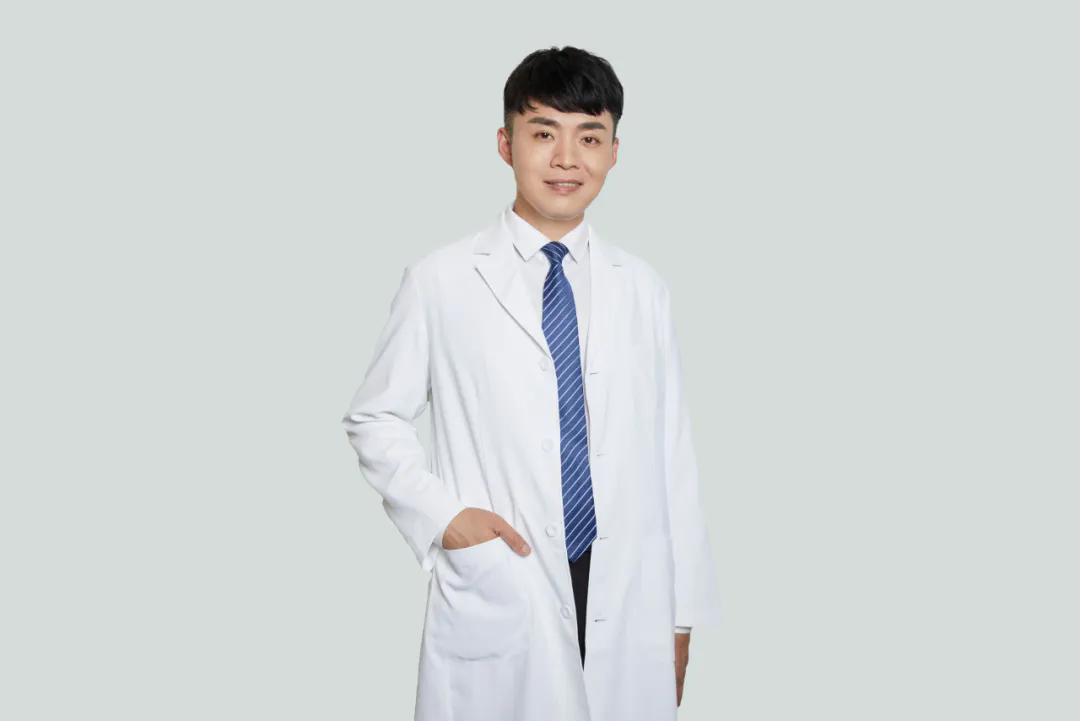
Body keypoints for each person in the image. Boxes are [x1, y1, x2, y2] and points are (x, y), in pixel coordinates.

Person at [341, 45, 720, 721]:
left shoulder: (643, 288)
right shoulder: (442, 280)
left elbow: (675, 456)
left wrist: (682, 615)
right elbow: (375, 416)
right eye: (544, 133)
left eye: (589, 138)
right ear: (505, 143)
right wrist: (444, 516)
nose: (566, 159)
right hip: (504, 574)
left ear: (614, 152)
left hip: (628, 584)